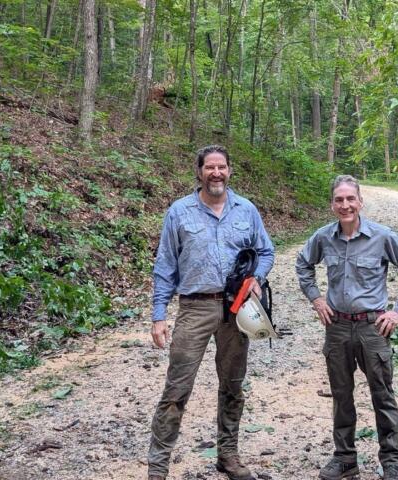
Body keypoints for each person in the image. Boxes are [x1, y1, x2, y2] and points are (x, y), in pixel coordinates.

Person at [148, 145, 274, 480]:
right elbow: (165, 265)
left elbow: (265, 250)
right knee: (176, 388)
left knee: (233, 385)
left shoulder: (246, 210)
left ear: (229, 171)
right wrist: (159, 314)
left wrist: (256, 279)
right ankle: (157, 468)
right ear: (199, 172)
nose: (215, 173)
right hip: (195, 306)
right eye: (209, 167)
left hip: (238, 308)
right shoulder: (179, 212)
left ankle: (228, 455)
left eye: (221, 167)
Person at [295, 175, 398, 480]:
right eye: (339, 200)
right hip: (337, 326)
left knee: (382, 394)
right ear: (332, 205)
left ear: (360, 202)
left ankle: (390, 460)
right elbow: (302, 265)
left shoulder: (382, 237)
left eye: (350, 199)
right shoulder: (324, 238)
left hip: (372, 329)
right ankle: (345, 459)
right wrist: (316, 299)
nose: (345, 205)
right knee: (342, 395)